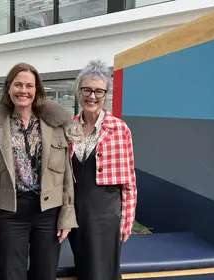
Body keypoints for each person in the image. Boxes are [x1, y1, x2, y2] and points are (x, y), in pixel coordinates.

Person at [0, 62, 78, 280]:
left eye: (29, 86)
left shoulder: (54, 124)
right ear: (9, 88)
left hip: (47, 210)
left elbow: (66, 173)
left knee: (45, 274)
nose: (24, 90)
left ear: (37, 90)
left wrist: (67, 214)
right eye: (18, 85)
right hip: (10, 212)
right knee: (11, 274)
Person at [67, 59, 137, 280]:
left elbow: (129, 182)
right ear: (79, 92)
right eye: (87, 90)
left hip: (105, 214)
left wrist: (126, 222)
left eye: (99, 91)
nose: (92, 96)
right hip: (76, 211)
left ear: (106, 94)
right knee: (83, 269)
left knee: (102, 273)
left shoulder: (119, 129)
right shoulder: (69, 126)